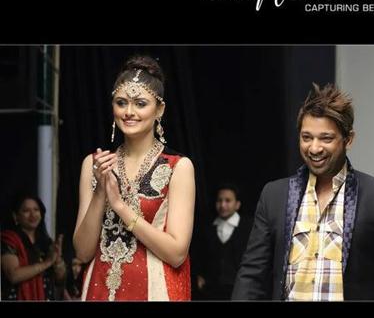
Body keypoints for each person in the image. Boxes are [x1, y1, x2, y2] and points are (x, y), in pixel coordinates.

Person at [232, 83, 374, 301]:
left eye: (326, 138)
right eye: (306, 137)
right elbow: (252, 274)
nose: (314, 148)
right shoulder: (275, 195)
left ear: (348, 139)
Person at [73, 55, 195, 301]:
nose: (129, 112)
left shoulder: (177, 167)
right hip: (99, 288)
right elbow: (83, 252)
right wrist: (100, 193)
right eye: (121, 103)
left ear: (159, 109)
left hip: (154, 290)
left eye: (140, 104)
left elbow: (177, 253)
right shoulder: (95, 164)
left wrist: (120, 206)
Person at [1, 194, 66, 300]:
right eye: (26, 211)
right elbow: (13, 276)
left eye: (36, 210)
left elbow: (60, 279)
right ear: (15, 216)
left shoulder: (46, 242)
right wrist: (47, 263)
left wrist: (57, 259)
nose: (32, 215)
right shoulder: (9, 240)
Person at [193, 184, 252, 300]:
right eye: (219, 201)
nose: (222, 205)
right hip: (211, 290)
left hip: (240, 290)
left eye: (228, 200)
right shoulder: (208, 227)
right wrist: (199, 276)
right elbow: (199, 254)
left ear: (237, 204)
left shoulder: (249, 227)